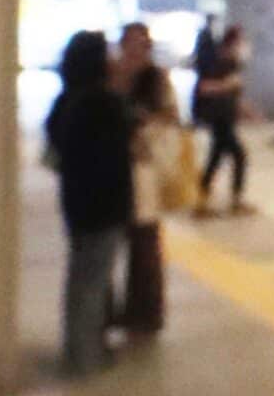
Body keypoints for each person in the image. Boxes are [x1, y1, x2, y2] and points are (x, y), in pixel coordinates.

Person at [44, 31, 134, 376]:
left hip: (77, 203)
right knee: (93, 284)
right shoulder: (104, 103)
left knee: (79, 280)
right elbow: (118, 150)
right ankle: (86, 358)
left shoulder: (66, 100)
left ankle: (76, 349)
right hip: (105, 206)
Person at [120, 63, 180, 340]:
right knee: (140, 251)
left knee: (144, 251)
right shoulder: (120, 78)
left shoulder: (155, 84)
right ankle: (139, 313)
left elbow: (171, 122)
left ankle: (145, 314)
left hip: (141, 187)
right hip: (135, 188)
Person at [194, 25, 252, 216]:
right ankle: (235, 201)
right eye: (241, 42)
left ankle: (202, 200)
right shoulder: (218, 62)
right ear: (232, 43)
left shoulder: (232, 63)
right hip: (218, 118)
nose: (244, 46)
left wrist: (245, 110)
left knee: (216, 157)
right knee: (239, 155)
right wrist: (226, 85)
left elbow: (233, 94)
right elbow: (204, 88)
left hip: (225, 117)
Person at [187, 16, 220, 124]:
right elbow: (202, 53)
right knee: (202, 93)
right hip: (204, 69)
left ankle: (201, 117)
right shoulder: (205, 35)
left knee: (204, 94)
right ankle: (199, 117)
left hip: (206, 70)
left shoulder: (208, 35)